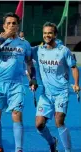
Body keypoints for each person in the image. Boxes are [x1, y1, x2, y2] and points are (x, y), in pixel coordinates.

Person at [0, 12, 37, 152]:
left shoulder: (24, 44)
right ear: (4, 25)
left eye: (14, 23)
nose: (11, 25)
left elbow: (29, 63)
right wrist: (5, 37)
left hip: (17, 84)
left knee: (17, 114)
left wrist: (32, 78)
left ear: (18, 25)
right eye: (8, 23)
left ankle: (18, 149)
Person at [32, 22, 80, 152]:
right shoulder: (38, 50)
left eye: (50, 33)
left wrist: (76, 84)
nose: (47, 35)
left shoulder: (63, 51)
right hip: (46, 94)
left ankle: (67, 150)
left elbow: (74, 67)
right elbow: (26, 58)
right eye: (45, 33)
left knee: (59, 120)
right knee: (39, 124)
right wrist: (33, 79)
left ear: (55, 34)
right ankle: (52, 142)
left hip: (61, 92)